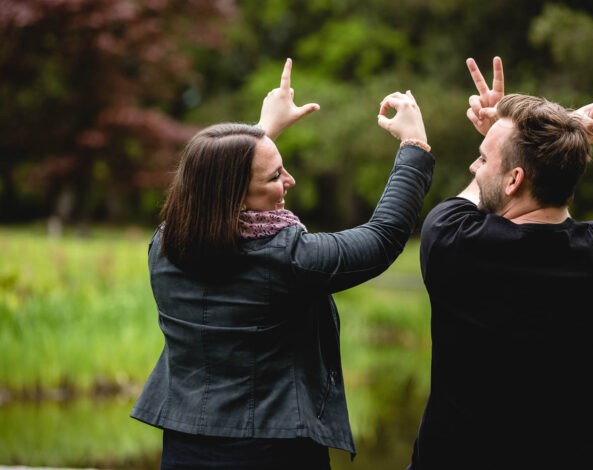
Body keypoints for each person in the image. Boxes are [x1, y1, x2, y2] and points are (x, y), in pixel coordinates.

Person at [130, 58, 434, 470]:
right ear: (235, 196)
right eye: (274, 177)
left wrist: (259, 132)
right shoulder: (288, 259)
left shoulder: (165, 244)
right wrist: (413, 149)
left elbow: (215, 180)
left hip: (185, 448)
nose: (288, 181)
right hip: (273, 453)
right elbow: (381, 239)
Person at [407, 57, 593, 469]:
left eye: (482, 158)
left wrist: (561, 130)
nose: (474, 164)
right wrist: (560, 139)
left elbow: (475, 199)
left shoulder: (453, 243)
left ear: (515, 179)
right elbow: (552, 191)